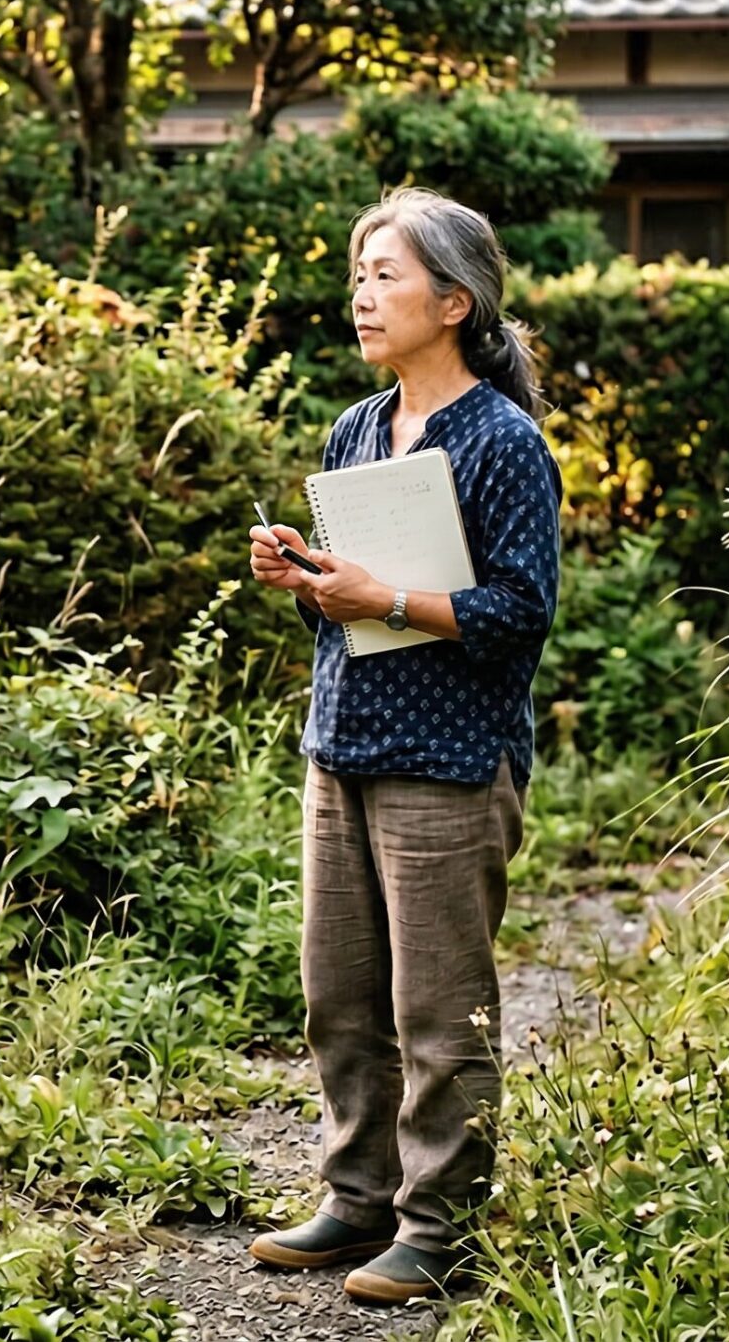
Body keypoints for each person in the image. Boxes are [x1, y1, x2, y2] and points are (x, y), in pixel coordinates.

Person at [245, 187, 561, 1305]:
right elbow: (349, 607)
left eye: (386, 275)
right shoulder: (355, 428)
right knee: (339, 995)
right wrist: (307, 581)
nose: (363, 295)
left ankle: (439, 1225)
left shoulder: (503, 443)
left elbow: (522, 612)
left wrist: (393, 593)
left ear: (453, 299)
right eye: (359, 276)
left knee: (436, 1012)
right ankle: (356, 1196)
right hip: (345, 742)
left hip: (451, 759)